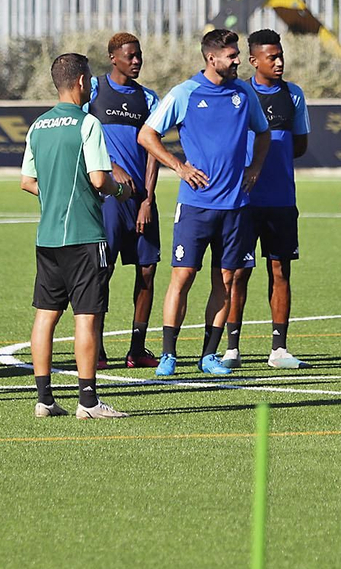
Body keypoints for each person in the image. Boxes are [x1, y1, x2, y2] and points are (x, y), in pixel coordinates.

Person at [138, 28, 270, 377]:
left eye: (237, 54)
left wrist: (255, 166)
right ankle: (168, 355)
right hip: (196, 207)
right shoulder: (185, 93)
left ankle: (209, 356)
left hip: (235, 207)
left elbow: (264, 132)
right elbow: (147, 134)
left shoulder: (245, 93)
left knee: (225, 281)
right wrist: (179, 166)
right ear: (212, 58)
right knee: (182, 277)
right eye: (232, 55)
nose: (238, 60)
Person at [23, 53, 131, 419]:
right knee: (86, 316)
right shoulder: (87, 124)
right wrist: (122, 191)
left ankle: (44, 398)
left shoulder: (37, 126)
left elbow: (27, 181)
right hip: (85, 236)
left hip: (47, 237)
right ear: (83, 81)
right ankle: (88, 401)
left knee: (46, 316)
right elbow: (100, 179)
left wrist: (54, 193)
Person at [227, 29, 311, 369]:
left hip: (281, 200)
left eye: (280, 55)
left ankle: (279, 349)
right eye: (271, 57)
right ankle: (232, 348)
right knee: (237, 273)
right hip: (244, 201)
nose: (278, 62)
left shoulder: (293, 95)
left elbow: (301, 144)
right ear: (253, 61)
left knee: (280, 271)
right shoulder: (239, 94)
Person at [87, 33, 162, 369]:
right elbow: (82, 133)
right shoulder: (93, 90)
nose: (136, 61)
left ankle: (137, 348)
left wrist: (148, 200)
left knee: (146, 271)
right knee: (103, 271)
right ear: (112, 57)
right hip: (107, 200)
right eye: (130, 56)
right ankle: (97, 349)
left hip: (141, 201)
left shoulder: (149, 98)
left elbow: (152, 152)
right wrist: (112, 167)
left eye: (139, 56)